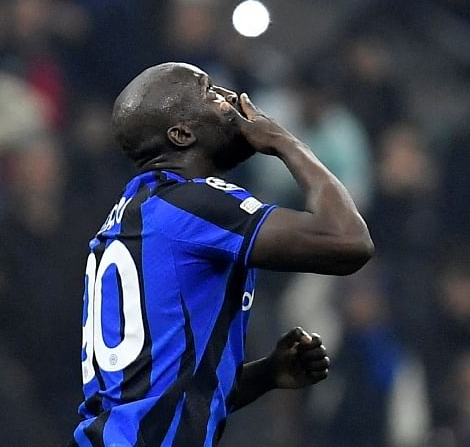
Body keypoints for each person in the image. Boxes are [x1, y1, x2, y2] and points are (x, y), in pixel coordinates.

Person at [72, 62, 374, 446]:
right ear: (182, 134)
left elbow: (162, 392)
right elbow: (349, 240)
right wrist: (286, 142)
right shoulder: (190, 205)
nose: (234, 102)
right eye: (211, 93)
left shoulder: (135, 215)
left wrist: (267, 374)